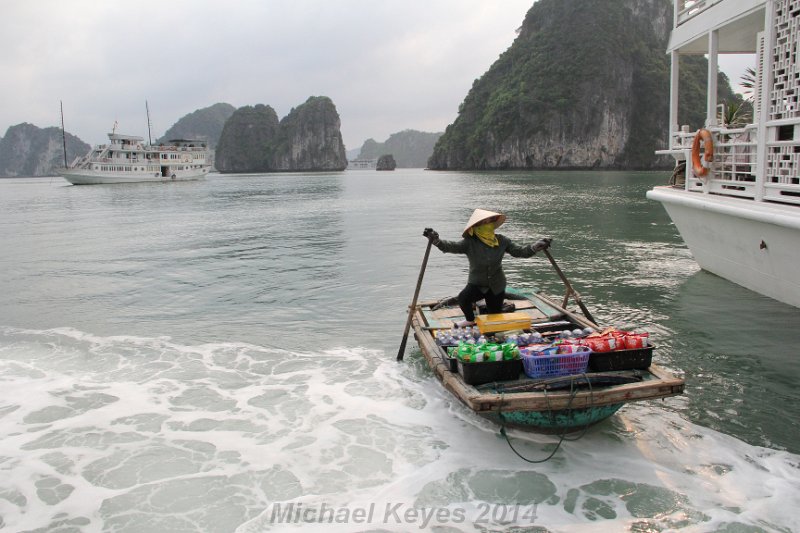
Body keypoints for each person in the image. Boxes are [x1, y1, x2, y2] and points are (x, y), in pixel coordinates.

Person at [424, 208, 551, 327]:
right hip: (477, 283)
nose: (488, 225)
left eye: (490, 222)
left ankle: (493, 336)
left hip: (497, 284)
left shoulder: (502, 241)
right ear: (476, 227)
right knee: (463, 298)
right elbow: (450, 246)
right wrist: (436, 241)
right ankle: (470, 320)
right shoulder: (470, 243)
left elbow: (520, 251)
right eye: (484, 223)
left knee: (494, 317)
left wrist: (535, 246)